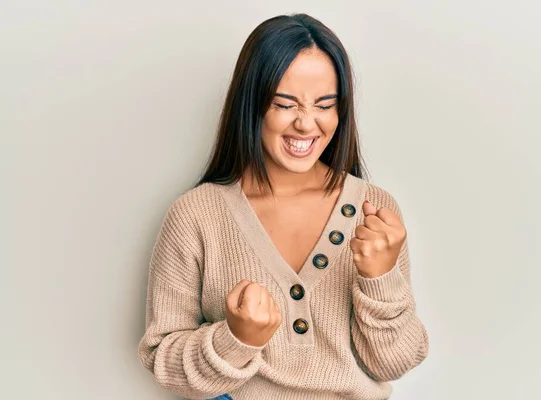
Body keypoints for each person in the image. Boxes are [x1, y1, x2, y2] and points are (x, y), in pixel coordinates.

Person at [138, 13, 429, 400]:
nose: (307, 124)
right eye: (285, 104)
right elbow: (164, 362)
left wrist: (380, 280)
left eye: (325, 105)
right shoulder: (195, 215)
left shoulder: (373, 210)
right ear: (253, 105)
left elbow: (394, 363)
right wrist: (234, 339)